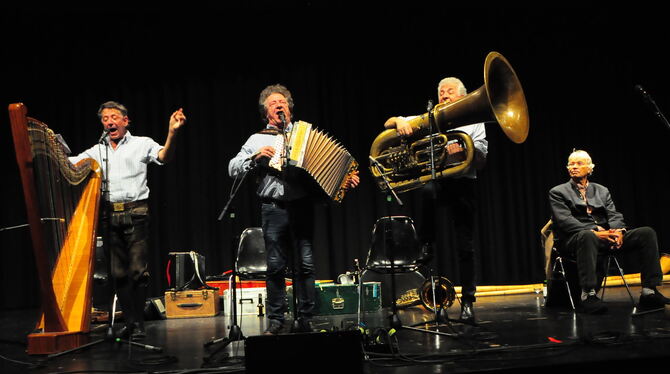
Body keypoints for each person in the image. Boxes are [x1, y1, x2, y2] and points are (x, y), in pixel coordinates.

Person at [228, 84, 359, 335]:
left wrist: (346, 180)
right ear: (265, 111)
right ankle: (276, 319)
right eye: (273, 103)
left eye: (283, 102)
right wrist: (254, 157)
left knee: (306, 265)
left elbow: (331, 164)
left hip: (302, 207)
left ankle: (306, 317)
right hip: (273, 208)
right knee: (276, 265)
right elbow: (232, 168)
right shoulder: (258, 139)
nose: (280, 105)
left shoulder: (305, 136)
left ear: (289, 108)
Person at [69, 101, 186, 338]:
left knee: (137, 271)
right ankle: (131, 322)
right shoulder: (98, 150)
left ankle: (139, 323)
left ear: (125, 121)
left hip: (136, 213)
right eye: (105, 118)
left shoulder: (141, 143)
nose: (109, 122)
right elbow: (71, 165)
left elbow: (164, 156)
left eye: (114, 117)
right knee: (118, 273)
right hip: (109, 214)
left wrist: (172, 132)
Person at [383, 77, 487, 324]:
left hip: (462, 181)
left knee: (465, 246)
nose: (444, 95)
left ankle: (468, 302)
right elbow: (388, 123)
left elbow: (481, 154)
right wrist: (399, 122)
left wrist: (462, 148)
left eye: (450, 91)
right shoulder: (428, 118)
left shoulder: (474, 120)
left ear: (462, 97)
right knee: (427, 191)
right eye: (441, 92)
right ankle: (426, 242)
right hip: (437, 180)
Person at [549, 149, 669, 313]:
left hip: (606, 236)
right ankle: (588, 295)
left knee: (646, 233)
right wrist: (596, 231)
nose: (574, 167)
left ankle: (649, 291)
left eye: (579, 163)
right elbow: (565, 221)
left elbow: (614, 214)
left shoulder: (602, 190)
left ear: (590, 168)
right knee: (587, 235)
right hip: (575, 240)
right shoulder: (558, 192)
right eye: (571, 163)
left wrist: (618, 232)